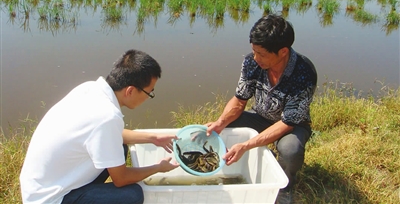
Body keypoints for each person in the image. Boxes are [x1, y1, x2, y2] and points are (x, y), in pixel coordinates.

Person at [20, 49, 180, 204]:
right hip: (50, 199)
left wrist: (154, 138)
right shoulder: (107, 116)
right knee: (133, 195)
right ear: (130, 91)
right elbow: (121, 179)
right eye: (149, 93)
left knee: (120, 148)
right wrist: (158, 168)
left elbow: (112, 134)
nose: (148, 98)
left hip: (38, 185)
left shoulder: (90, 89)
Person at [206, 14, 317, 204]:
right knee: (228, 126)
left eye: (262, 54)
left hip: (292, 125)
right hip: (260, 116)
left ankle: (285, 188)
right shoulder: (252, 62)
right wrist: (220, 122)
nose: (256, 58)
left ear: (283, 52)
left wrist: (247, 144)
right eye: (254, 52)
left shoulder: (303, 72)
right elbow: (240, 99)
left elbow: (288, 123)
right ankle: (260, 160)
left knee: (290, 149)